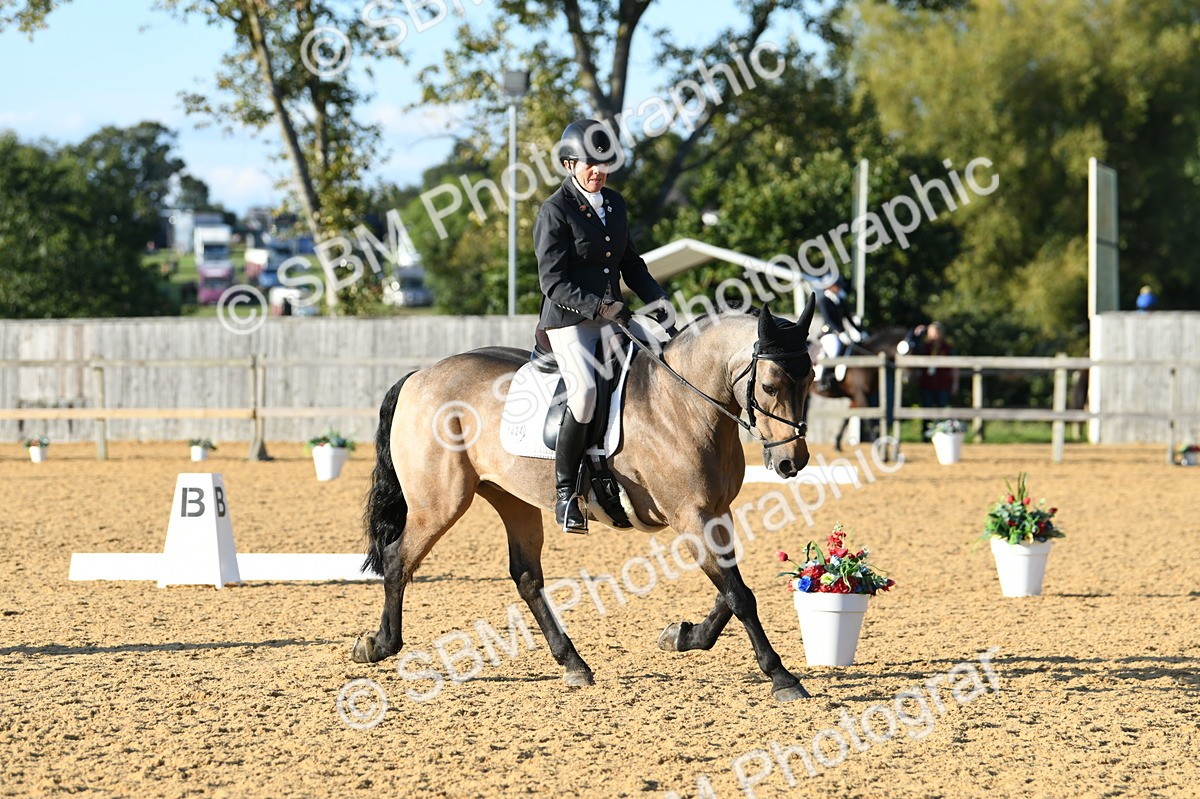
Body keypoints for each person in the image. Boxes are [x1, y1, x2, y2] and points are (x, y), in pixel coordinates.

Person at [534, 119, 670, 533]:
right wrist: (600, 308)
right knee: (587, 392)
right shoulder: (554, 210)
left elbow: (630, 262)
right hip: (569, 323)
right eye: (590, 165)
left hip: (614, 318)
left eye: (604, 165)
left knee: (660, 360)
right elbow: (552, 281)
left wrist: (657, 299)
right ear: (570, 164)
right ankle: (565, 495)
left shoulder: (614, 203)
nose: (598, 172)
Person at [814, 275, 865, 392]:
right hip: (830, 333)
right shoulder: (824, 300)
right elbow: (829, 320)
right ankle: (822, 380)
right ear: (830, 286)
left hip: (842, 332)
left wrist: (861, 331)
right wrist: (841, 333)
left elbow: (849, 318)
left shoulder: (840, 300)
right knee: (834, 350)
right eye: (837, 285)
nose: (840, 288)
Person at [913, 321, 959, 434]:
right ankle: (926, 435)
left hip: (942, 384)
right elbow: (911, 349)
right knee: (926, 410)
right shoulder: (924, 348)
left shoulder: (948, 348)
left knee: (942, 411)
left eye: (935, 333)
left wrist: (955, 383)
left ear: (941, 334)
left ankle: (941, 433)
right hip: (927, 384)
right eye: (930, 333)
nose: (932, 336)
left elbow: (955, 367)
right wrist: (916, 335)